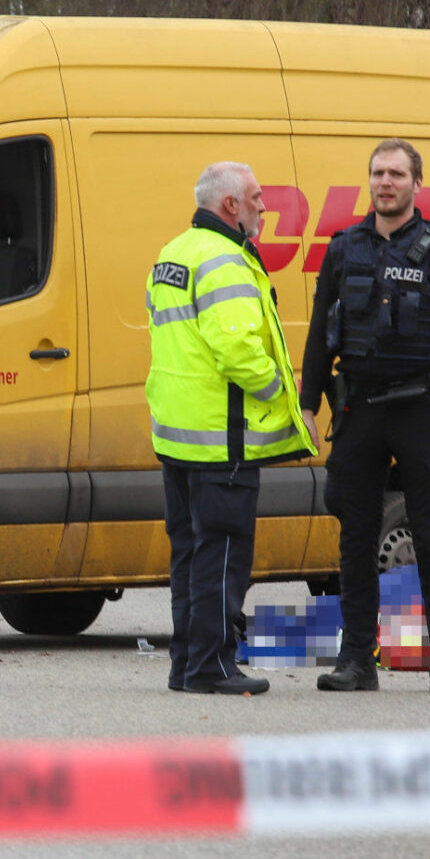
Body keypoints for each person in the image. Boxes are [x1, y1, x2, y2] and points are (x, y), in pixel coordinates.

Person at [300, 139, 430, 694]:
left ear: (416, 185)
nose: (386, 182)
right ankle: (356, 658)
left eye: (397, 174)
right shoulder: (342, 249)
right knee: (355, 536)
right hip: (356, 408)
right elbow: (317, 335)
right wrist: (307, 405)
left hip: (420, 407)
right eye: (378, 173)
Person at [145, 162, 316, 695]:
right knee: (221, 555)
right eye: (257, 198)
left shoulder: (174, 252)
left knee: (190, 555)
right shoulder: (226, 260)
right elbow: (240, 351)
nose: (266, 207)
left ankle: (185, 663)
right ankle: (211, 666)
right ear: (230, 206)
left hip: (178, 435)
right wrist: (280, 394)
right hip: (223, 438)